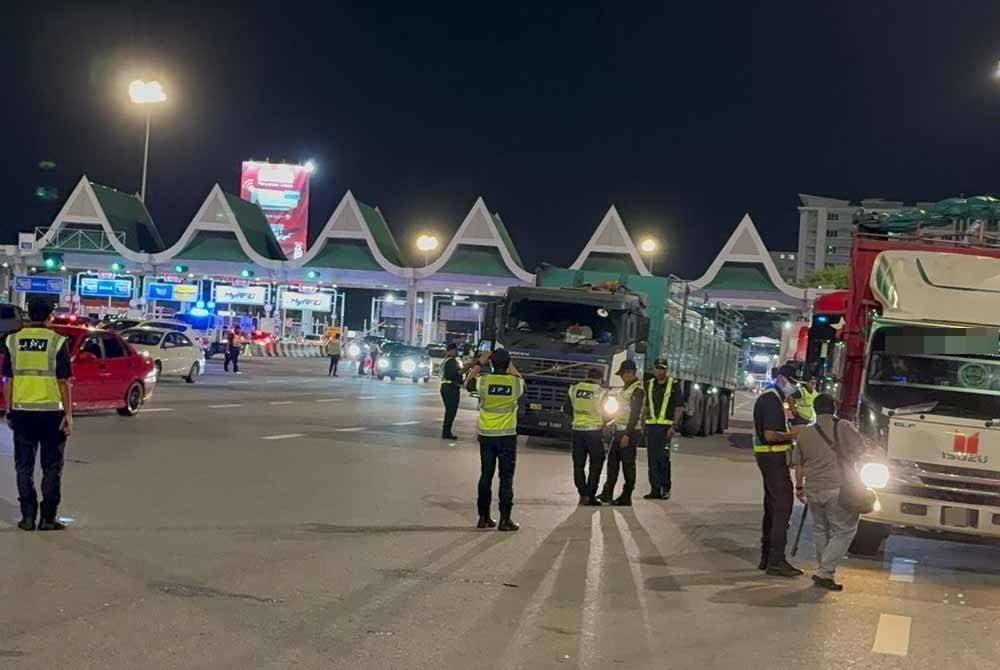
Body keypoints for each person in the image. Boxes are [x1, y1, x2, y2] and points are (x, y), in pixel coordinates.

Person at [3, 297, 73, 531]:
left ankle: (27, 517)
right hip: (52, 413)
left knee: (24, 466)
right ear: (49, 316)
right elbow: (64, 382)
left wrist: (10, 408)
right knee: (51, 467)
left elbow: (8, 380)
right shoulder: (58, 341)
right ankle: (48, 518)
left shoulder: (13, 340)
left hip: (22, 413)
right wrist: (69, 415)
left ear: (29, 315)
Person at [791, 393, 864, 591]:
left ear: (815, 409)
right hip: (837, 487)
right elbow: (861, 449)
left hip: (813, 488)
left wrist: (799, 487)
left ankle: (824, 570)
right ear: (833, 407)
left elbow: (798, 464)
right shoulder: (844, 426)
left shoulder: (805, 432)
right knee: (845, 530)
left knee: (820, 528)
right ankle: (825, 572)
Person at [753, 363, 804, 577]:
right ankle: (776, 560)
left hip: (771, 457)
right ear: (782, 379)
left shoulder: (777, 398)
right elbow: (771, 434)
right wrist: (794, 436)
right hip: (772, 457)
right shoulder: (771, 399)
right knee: (782, 507)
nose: (793, 387)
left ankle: (767, 558)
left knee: (773, 507)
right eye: (791, 382)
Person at [466, 349, 523, 531]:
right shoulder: (515, 384)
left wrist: (480, 363)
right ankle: (505, 520)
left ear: (491, 363)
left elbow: (467, 383)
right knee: (506, 478)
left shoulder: (483, 382)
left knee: (486, 476)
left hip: (487, 436)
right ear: (507, 364)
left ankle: (483, 518)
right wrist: (510, 364)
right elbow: (521, 379)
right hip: (506, 437)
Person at [598, 360, 645, 506]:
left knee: (628, 464)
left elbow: (635, 415)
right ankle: (607, 493)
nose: (622, 377)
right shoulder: (625, 389)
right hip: (619, 430)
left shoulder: (637, 390)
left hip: (629, 433)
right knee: (612, 462)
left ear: (630, 372)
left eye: (623, 374)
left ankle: (626, 496)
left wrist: (627, 435)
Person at [564, 367, 607, 506]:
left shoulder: (574, 389)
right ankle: (591, 495)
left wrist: (578, 419)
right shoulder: (602, 392)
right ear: (600, 378)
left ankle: (582, 493)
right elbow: (608, 413)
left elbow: (567, 409)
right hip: (594, 433)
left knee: (578, 464)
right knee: (596, 464)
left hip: (577, 431)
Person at [644, 359, 685, 500]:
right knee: (652, 460)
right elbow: (646, 406)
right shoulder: (649, 384)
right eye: (658, 368)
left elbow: (679, 407)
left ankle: (665, 489)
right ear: (654, 369)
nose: (660, 371)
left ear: (666, 370)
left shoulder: (673, 385)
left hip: (665, 429)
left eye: (663, 369)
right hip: (651, 427)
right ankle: (654, 489)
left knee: (663, 459)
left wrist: (674, 426)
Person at [439, 342, 462, 439]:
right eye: (456, 350)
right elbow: (457, 373)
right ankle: (446, 432)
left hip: (446, 387)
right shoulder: (451, 361)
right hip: (450, 388)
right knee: (451, 411)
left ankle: (446, 431)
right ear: (451, 351)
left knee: (449, 411)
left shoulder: (446, 360)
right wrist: (469, 366)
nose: (457, 352)